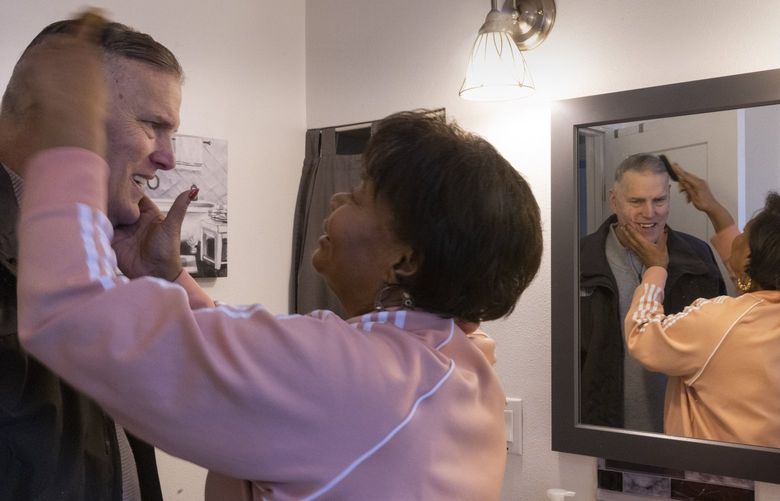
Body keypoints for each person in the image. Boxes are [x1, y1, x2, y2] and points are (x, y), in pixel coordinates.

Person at [13, 14, 543, 501]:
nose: (336, 199)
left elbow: (77, 318)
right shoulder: (451, 366)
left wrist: (68, 143)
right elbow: (242, 354)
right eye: (153, 125)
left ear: (405, 259)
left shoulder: (365, 379)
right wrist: (169, 277)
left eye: (359, 195)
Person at [0, 14, 187, 500]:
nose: (168, 158)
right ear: (64, 114)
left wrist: (164, 284)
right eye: (153, 126)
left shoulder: (114, 255)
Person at [622, 186, 780, 447]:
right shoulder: (762, 299)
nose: (737, 237)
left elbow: (642, 334)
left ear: (752, 256)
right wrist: (714, 209)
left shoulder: (717, 321)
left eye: (744, 233)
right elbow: (751, 278)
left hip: (717, 479)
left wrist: (656, 269)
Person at [579, 153, 725, 431]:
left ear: (669, 198)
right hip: (602, 429)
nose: (649, 212)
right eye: (636, 201)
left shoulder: (698, 255)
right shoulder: (581, 259)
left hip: (685, 429)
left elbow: (718, 348)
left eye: (659, 200)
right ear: (614, 200)